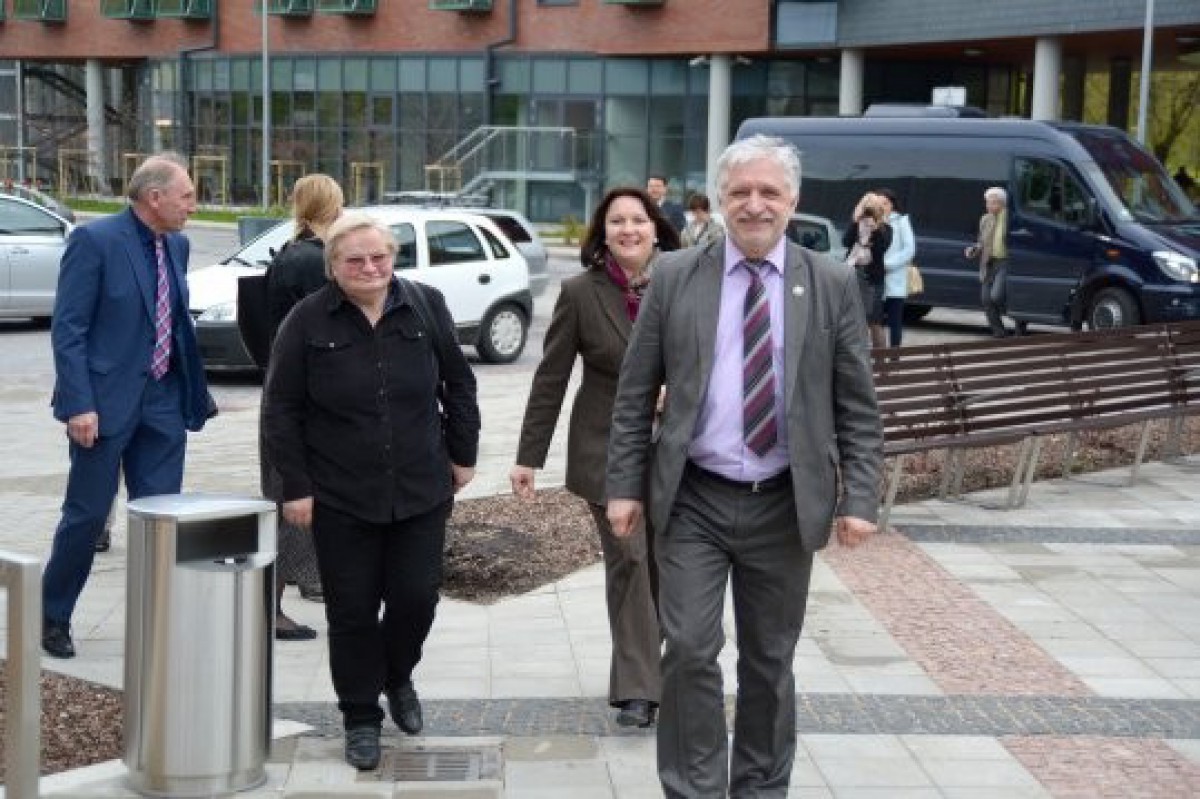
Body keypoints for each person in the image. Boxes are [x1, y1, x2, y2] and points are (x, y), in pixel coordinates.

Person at [605, 134, 883, 798]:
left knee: (769, 661)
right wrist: (623, 486)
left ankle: (759, 788)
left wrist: (860, 497)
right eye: (740, 191)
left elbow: (857, 401)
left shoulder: (831, 282)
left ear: (793, 199)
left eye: (769, 192)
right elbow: (635, 391)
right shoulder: (676, 275)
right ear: (721, 198)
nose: (754, 204)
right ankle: (694, 788)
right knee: (689, 650)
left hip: (783, 502)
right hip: (693, 498)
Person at [261, 213, 480, 772]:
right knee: (353, 612)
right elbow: (281, 409)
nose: (369, 268)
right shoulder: (306, 320)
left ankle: (397, 675)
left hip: (420, 488)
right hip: (340, 494)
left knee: (416, 598)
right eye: (354, 259)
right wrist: (295, 487)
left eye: (378, 257)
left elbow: (459, 382)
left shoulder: (425, 305)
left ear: (393, 258)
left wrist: (463, 453)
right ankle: (360, 716)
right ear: (333, 265)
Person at [510, 187, 680, 729]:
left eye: (638, 220)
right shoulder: (581, 293)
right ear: (602, 233)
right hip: (604, 451)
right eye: (616, 221)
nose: (628, 229)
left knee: (665, 566)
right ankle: (638, 689)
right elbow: (551, 377)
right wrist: (528, 456)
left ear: (656, 228)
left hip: (677, 452)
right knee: (629, 559)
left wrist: (678, 392)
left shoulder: (683, 284)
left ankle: (653, 662)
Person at [42, 152, 213, 659]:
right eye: (186, 196)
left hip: (163, 402)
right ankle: (52, 616)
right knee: (87, 516)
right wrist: (79, 404)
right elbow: (68, 329)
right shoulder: (95, 241)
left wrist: (190, 391)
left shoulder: (178, 245)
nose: (193, 206)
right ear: (154, 197)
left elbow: (174, 321)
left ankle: (158, 624)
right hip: (102, 406)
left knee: (161, 520)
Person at [261, 173, 344, 642]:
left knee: (290, 498)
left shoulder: (291, 252)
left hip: (285, 390)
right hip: (301, 398)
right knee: (291, 501)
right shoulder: (313, 260)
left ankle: (302, 584)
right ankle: (271, 609)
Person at [842, 191, 893, 348]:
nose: (868, 212)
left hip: (872, 279)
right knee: (850, 318)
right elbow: (846, 241)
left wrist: (874, 229)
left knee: (874, 321)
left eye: (872, 208)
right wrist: (856, 221)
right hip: (852, 273)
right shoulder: (858, 224)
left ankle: (880, 359)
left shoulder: (885, 229)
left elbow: (880, 250)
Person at [965, 186, 1012, 337]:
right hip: (989, 263)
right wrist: (974, 249)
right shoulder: (985, 219)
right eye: (987, 202)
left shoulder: (1010, 218)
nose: (988, 206)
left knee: (996, 296)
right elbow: (981, 242)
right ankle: (999, 332)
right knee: (986, 299)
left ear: (1002, 203)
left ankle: (1019, 319)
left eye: (992, 203)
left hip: (1005, 262)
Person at [877, 188, 917, 347]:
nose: (882, 207)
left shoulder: (901, 221)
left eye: (885, 203)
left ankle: (894, 356)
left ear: (892, 204)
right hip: (876, 278)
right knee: (875, 321)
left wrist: (888, 264)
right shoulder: (873, 220)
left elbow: (909, 249)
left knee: (895, 321)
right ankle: (878, 355)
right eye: (879, 203)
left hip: (895, 279)